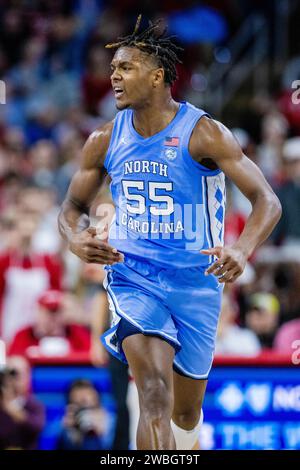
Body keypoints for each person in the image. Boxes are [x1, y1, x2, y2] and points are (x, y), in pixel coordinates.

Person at [58, 16, 281, 450]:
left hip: (197, 284)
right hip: (133, 276)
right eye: (112, 69)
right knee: (152, 394)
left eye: (126, 68)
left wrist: (242, 247)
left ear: (157, 76)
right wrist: (74, 236)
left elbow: (266, 201)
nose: (115, 77)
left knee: (184, 413)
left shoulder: (204, 133)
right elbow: (70, 208)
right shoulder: (103, 139)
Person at [8, 289, 91, 358]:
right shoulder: (23, 335)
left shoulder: (77, 334)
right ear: (38, 313)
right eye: (48, 312)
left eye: (57, 311)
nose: (52, 317)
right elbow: (13, 361)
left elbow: (91, 355)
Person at [0, 355, 45, 449]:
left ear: (27, 377)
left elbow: (36, 428)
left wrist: (13, 411)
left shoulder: (34, 405)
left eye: (15, 374)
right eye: (8, 374)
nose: (11, 379)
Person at [56, 379, 111, 450]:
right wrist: (69, 431)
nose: (85, 417)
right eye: (79, 405)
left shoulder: (113, 421)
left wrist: (103, 433)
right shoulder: (64, 424)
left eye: (90, 408)